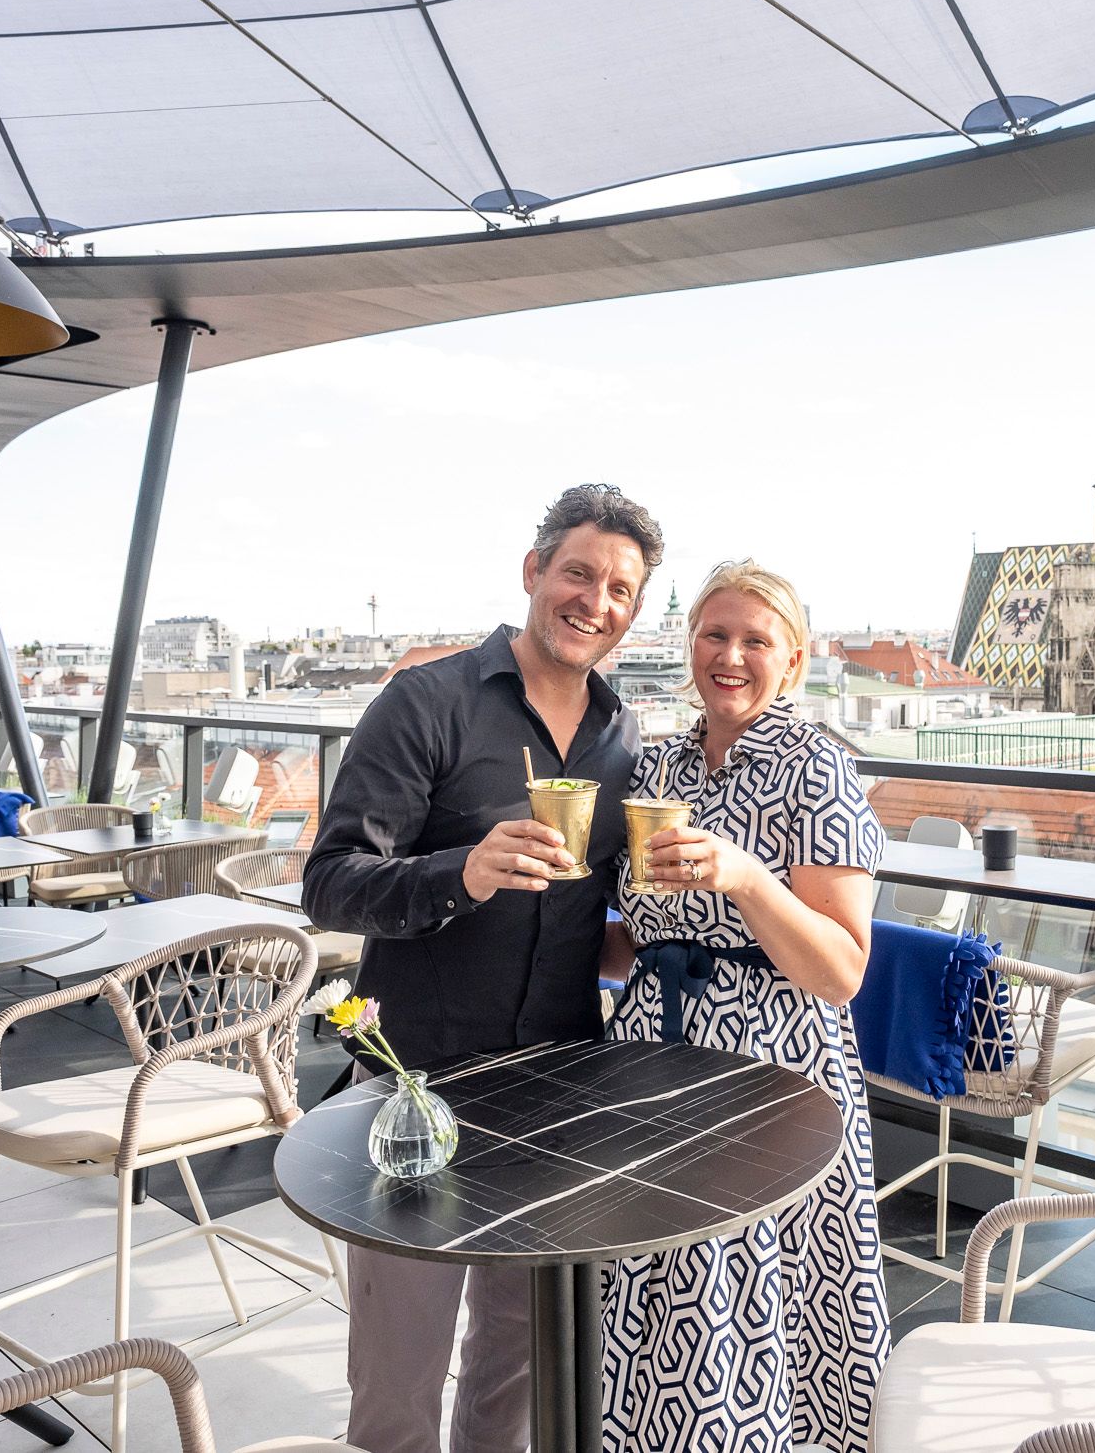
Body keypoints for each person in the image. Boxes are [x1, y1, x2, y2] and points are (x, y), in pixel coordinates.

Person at [302, 485, 663, 1453]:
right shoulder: (427, 702)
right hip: (418, 1089)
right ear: (533, 571)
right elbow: (329, 885)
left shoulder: (622, 738)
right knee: (398, 1386)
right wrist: (458, 873)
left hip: (556, 1093)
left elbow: (602, 911)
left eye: (620, 588)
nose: (596, 600)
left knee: (513, 1374)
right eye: (579, 572)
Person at [599, 560, 890, 1453]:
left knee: (738, 1295)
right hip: (653, 1055)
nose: (730, 655)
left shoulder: (819, 768)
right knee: (650, 1282)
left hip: (769, 1072)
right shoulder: (658, 763)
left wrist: (746, 877)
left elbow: (841, 970)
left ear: (792, 661)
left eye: (754, 640)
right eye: (713, 635)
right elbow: (637, 940)